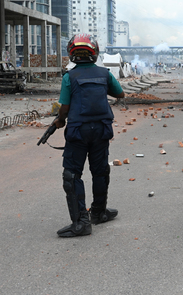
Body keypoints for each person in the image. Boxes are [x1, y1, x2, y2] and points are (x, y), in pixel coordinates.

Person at [54, 34, 125, 237]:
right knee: (100, 171)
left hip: (78, 132)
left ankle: (81, 223)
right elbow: (119, 94)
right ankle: (99, 213)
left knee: (72, 175)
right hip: (101, 130)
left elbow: (64, 107)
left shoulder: (69, 77)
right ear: (95, 53)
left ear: (71, 54)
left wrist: (60, 120)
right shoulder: (104, 74)